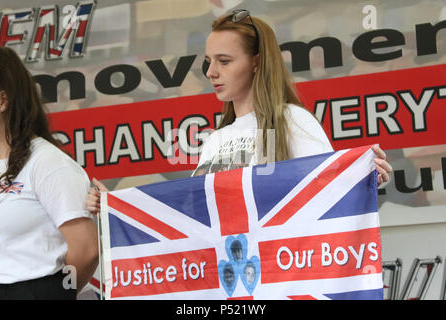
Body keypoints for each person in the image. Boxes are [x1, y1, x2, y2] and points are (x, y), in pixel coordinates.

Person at [85, 9, 392, 212]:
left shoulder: (292, 119)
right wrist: (114, 207)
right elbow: (194, 216)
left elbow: (327, 196)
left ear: (256, 61)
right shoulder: (215, 140)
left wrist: (363, 178)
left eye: (224, 61)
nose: (211, 72)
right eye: (209, 61)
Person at [0, 47, 99, 299]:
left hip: (38, 289)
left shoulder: (47, 162)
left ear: (2, 100)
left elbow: (86, 250)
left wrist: (57, 294)